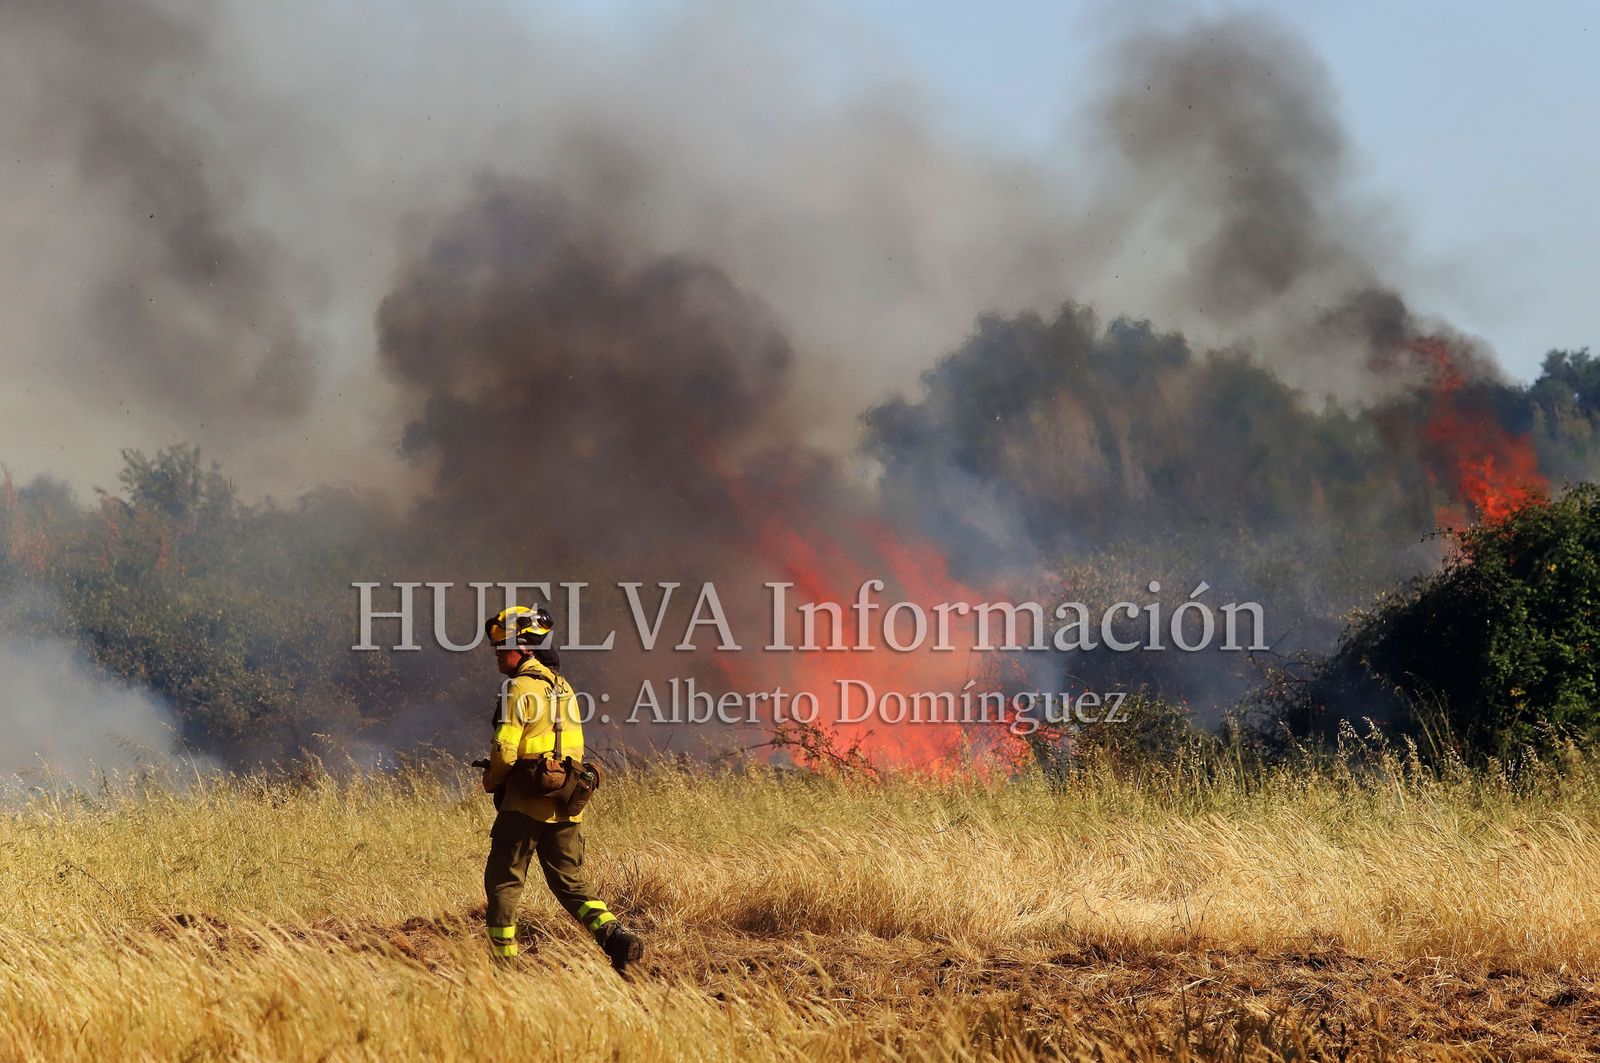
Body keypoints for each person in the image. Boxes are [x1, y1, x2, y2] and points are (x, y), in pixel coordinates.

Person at [478, 604, 644, 973]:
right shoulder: (565, 688)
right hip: (567, 803)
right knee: (570, 882)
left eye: (503, 649)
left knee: (504, 882)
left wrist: (491, 781)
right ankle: (616, 938)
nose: (498, 657)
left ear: (526, 650)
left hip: (523, 805)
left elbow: (505, 748)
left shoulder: (517, 688)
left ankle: (502, 966)